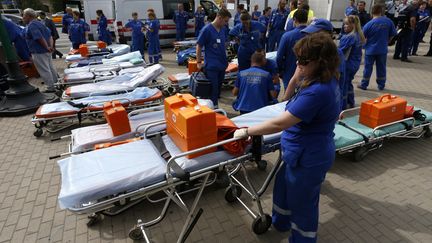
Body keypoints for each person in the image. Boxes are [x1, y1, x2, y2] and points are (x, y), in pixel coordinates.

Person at [233, 32, 341, 243]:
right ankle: (280, 221)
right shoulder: (317, 78)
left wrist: (248, 131)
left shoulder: (318, 91)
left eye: (303, 61)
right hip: (296, 152)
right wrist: (295, 77)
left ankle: (302, 239)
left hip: (309, 156)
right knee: (282, 188)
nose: (298, 64)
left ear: (320, 62)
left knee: (303, 204)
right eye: (297, 60)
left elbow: (280, 123)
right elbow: (287, 99)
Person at [300, 18, 346, 110]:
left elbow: (335, 79)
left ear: (327, 34)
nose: (309, 37)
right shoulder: (317, 51)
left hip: (327, 103)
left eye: (313, 33)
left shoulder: (335, 53)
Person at [196, 9, 231, 107]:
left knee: (218, 90)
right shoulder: (207, 30)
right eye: (225, 21)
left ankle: (215, 108)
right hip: (212, 66)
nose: (226, 23)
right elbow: (199, 46)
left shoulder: (223, 29)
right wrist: (198, 62)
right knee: (213, 90)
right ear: (219, 18)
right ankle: (213, 110)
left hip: (222, 65)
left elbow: (223, 43)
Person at [359, 4, 396, 90]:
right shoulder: (388, 21)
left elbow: (362, 38)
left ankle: (364, 84)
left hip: (370, 50)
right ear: (381, 12)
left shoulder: (369, 24)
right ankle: (381, 85)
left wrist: (364, 45)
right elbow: (392, 34)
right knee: (381, 68)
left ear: (372, 12)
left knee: (368, 68)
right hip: (382, 49)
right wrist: (387, 41)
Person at [22, 8, 58, 93]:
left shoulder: (32, 25)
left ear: (28, 16)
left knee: (44, 70)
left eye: (24, 15)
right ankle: (56, 83)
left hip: (39, 51)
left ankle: (50, 87)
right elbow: (50, 36)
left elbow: (39, 38)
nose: (23, 17)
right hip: (46, 51)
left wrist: (46, 47)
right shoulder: (41, 23)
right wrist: (50, 46)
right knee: (50, 68)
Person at [277, 9, 308, 92]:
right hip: (308, 74)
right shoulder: (313, 36)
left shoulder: (287, 36)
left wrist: (280, 71)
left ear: (294, 20)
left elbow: (279, 57)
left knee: (289, 98)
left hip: (289, 73)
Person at [339, 15, 365, 109]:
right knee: (349, 83)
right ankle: (351, 101)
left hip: (347, 65)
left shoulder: (349, 37)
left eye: (346, 24)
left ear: (353, 25)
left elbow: (339, 51)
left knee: (343, 85)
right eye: (344, 24)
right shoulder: (358, 35)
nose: (344, 26)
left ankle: (343, 105)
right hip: (355, 64)